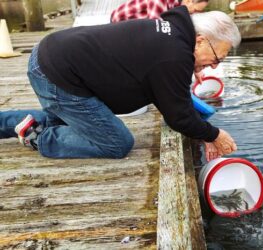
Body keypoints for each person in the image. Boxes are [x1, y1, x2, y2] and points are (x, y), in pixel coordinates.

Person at [0, 6, 241, 161]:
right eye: (216, 58)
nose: (214, 66)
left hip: (52, 58)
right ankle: (39, 138)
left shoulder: (175, 32)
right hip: (57, 76)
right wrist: (214, 134)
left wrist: (191, 68)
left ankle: (8, 124)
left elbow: (168, 86)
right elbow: (179, 116)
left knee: (62, 118)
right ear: (199, 41)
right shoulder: (175, 56)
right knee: (117, 142)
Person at [110, 0, 209, 23]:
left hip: (135, 26)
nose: (194, 13)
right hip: (119, 22)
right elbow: (156, 28)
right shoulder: (161, 1)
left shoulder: (176, 7)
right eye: (196, 10)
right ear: (188, 0)